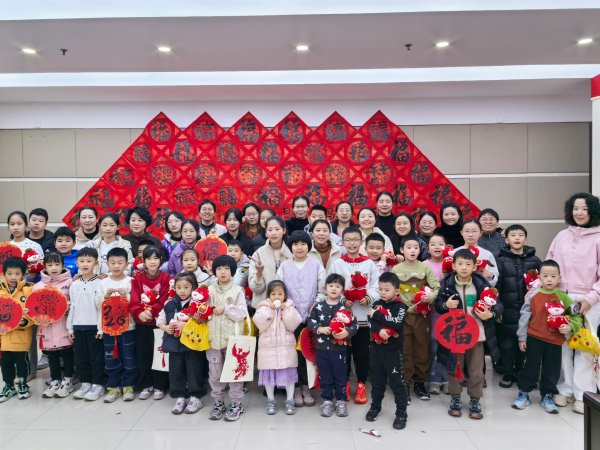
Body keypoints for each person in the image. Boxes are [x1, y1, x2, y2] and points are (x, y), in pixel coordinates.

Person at [547, 192, 600, 414]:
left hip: (588, 300)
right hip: (561, 298)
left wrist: (590, 298)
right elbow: (549, 264)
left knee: (584, 347)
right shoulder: (562, 236)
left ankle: (583, 394)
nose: (579, 213)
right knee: (562, 345)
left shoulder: (598, 237)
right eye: (575, 208)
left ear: (592, 211)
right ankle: (565, 389)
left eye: (584, 209)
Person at [435, 249, 502, 420]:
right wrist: (445, 305)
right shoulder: (446, 284)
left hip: (476, 335)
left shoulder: (482, 285)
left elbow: (498, 305)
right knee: (455, 368)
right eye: (460, 264)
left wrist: (491, 314)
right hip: (455, 335)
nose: (464, 267)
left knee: (476, 370)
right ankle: (455, 398)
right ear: (453, 266)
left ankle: (475, 400)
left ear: (474, 267)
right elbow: (438, 305)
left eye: (468, 264)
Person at [512, 260, 582, 414]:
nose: (549, 279)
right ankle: (524, 393)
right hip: (534, 338)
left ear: (559, 278)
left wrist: (570, 327)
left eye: (553, 276)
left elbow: (577, 317)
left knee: (552, 370)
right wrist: (522, 337)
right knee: (530, 367)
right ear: (539, 278)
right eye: (545, 276)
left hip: (555, 341)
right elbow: (524, 316)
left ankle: (547, 396)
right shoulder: (533, 295)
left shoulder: (564, 297)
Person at [329, 226, 379, 404]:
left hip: (363, 318)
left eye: (355, 240)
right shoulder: (337, 264)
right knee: (343, 353)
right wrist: (343, 299)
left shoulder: (369, 264)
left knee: (362, 354)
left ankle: (361, 384)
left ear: (361, 242)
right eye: (348, 240)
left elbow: (376, 287)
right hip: (343, 317)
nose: (352, 243)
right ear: (342, 242)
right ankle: (344, 384)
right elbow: (331, 286)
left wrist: (368, 298)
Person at [277, 230, 325, 407]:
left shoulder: (316, 265)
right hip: (290, 317)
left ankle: (307, 387)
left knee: (308, 352)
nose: (299, 247)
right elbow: (279, 290)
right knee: (292, 353)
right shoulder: (284, 266)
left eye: (303, 244)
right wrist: (285, 305)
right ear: (291, 247)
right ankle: (296, 387)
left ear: (308, 246)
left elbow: (322, 289)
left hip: (311, 316)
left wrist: (316, 303)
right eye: (295, 244)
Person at [392, 234, 440, 402]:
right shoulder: (396, 270)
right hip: (403, 316)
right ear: (401, 250)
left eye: (416, 248)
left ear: (420, 250)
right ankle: (405, 383)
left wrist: (430, 297)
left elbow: (436, 287)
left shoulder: (425, 268)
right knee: (405, 350)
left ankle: (420, 383)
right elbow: (391, 292)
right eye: (409, 247)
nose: (412, 250)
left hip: (421, 315)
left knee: (422, 350)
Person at [495, 224, 541, 388]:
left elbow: (541, 284)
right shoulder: (500, 260)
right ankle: (508, 372)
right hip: (507, 309)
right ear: (507, 240)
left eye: (520, 235)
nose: (517, 238)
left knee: (525, 343)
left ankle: (521, 372)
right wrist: (498, 308)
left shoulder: (535, 260)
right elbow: (496, 287)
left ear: (525, 239)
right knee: (507, 344)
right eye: (513, 235)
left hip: (528, 310)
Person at [308, 273, 358, 418]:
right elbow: (310, 321)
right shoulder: (318, 307)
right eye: (331, 286)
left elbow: (354, 325)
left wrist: (347, 332)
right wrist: (319, 328)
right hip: (322, 349)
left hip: (339, 350)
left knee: (341, 375)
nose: (334, 289)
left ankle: (341, 401)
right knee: (325, 375)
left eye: (338, 286)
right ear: (325, 289)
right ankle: (327, 401)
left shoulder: (345, 308)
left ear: (342, 290)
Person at [157, 273, 206, 415]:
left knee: (194, 369)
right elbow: (159, 319)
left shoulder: (198, 304)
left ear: (193, 288)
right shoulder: (169, 303)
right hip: (174, 343)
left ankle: (195, 397)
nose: (182, 291)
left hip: (192, 343)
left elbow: (204, 321)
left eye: (186, 287)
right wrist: (165, 327)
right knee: (176, 370)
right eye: (179, 287)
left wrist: (187, 325)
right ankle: (180, 396)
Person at [206, 255, 249, 422]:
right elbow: (202, 309)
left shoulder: (238, 291)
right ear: (214, 271)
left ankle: (236, 404)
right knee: (214, 373)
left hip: (233, 340)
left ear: (232, 271)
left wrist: (226, 308)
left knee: (234, 373)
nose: (222, 272)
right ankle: (218, 402)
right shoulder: (209, 290)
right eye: (219, 269)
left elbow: (242, 314)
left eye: (226, 268)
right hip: (212, 339)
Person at [367, 272, 409, 430]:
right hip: (376, 350)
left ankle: (401, 412)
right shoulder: (376, 303)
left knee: (397, 383)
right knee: (377, 381)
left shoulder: (401, 307)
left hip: (393, 352)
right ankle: (375, 406)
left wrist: (378, 315)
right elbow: (370, 320)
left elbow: (396, 323)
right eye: (380, 289)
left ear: (396, 291)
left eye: (386, 290)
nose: (382, 292)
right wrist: (379, 329)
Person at [253, 280, 302, 415]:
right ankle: (271, 400)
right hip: (268, 349)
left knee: (289, 374)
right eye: (273, 294)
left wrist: (285, 311)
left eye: (280, 294)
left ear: (285, 295)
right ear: (269, 295)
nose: (277, 297)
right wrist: (270, 310)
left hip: (286, 349)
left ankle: (290, 400)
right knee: (268, 376)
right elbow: (259, 323)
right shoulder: (263, 307)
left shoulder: (290, 307)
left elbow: (293, 325)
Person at [96, 247, 137, 403]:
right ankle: (113, 386)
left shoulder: (131, 281)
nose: (116, 266)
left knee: (128, 356)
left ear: (126, 264)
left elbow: (136, 302)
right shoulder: (103, 283)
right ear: (107, 264)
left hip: (128, 327)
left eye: (120, 262)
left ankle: (128, 385)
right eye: (112, 262)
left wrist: (126, 295)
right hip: (108, 328)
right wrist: (105, 297)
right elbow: (97, 304)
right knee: (111, 357)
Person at [129, 246, 171, 401]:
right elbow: (134, 299)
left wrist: (152, 312)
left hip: (159, 324)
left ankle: (160, 385)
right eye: (148, 258)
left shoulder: (165, 277)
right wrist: (139, 312)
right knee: (143, 355)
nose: (152, 262)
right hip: (142, 324)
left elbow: (165, 298)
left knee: (159, 354)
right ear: (143, 261)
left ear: (161, 260)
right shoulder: (138, 278)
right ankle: (146, 384)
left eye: (155, 258)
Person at [67, 247, 105, 401]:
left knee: (96, 357)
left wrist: (101, 328)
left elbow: (102, 308)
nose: (85, 264)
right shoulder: (74, 284)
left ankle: (98, 384)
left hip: (94, 327)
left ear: (96, 263)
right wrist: (70, 327)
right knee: (81, 358)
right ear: (77, 263)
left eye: (89, 261)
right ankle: (85, 383)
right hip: (78, 326)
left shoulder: (101, 283)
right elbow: (73, 307)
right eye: (81, 261)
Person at [33, 253, 75, 398]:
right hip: (47, 328)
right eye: (50, 265)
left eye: (57, 264)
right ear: (45, 267)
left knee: (67, 354)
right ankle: (55, 380)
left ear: (63, 265)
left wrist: (67, 306)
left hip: (64, 325)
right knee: (52, 356)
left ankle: (68, 380)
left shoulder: (70, 283)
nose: (54, 268)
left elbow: (74, 302)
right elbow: (34, 307)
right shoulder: (38, 286)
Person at [0, 257, 34, 402]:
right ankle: (8, 386)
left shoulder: (29, 290)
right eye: (9, 273)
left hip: (21, 334)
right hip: (4, 335)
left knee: (22, 361)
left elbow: (35, 312)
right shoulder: (0, 291)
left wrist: (25, 320)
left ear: (23, 274)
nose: (13, 277)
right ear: (4, 274)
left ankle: (22, 383)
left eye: (17, 274)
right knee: (5, 362)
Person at [425, 234, 449, 394]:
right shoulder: (424, 265)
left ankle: (446, 379)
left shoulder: (452, 263)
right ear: (428, 249)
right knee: (433, 344)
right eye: (433, 244)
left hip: (448, 309)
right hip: (431, 310)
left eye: (441, 244)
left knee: (447, 344)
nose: (437, 247)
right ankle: (433, 379)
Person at [249, 216, 292, 308]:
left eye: (277, 229)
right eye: (270, 230)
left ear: (284, 230)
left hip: (286, 306)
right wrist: (259, 273)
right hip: (264, 307)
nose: (273, 233)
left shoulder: (291, 253)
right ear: (265, 232)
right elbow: (255, 289)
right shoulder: (258, 254)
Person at [457, 219, 499, 287]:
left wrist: (488, 275)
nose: (470, 234)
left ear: (480, 233)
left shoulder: (487, 254)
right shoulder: (454, 252)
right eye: (467, 231)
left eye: (474, 231)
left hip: (481, 290)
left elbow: (494, 279)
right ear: (461, 233)